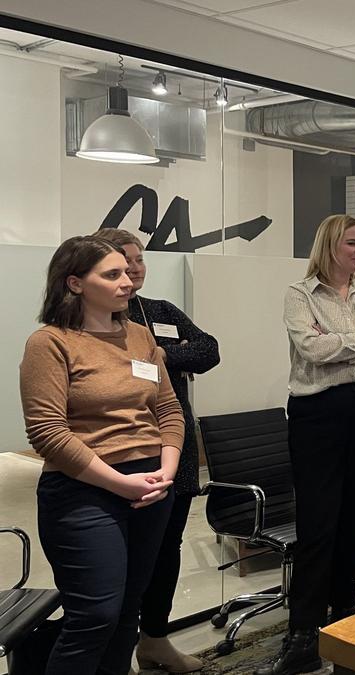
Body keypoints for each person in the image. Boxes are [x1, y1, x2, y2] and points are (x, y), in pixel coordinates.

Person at [19, 235, 183, 674]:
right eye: (112, 274)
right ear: (75, 283)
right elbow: (47, 432)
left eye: (127, 272)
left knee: (129, 610)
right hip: (84, 490)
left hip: (151, 485)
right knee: (95, 616)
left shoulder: (140, 336)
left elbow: (169, 409)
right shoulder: (50, 343)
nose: (127, 281)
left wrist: (166, 471)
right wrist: (120, 483)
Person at [261, 215, 355, 675]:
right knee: (317, 523)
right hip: (318, 414)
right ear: (329, 245)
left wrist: (341, 342)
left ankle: (345, 614)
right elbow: (311, 350)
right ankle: (303, 634)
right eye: (352, 243)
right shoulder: (300, 295)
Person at [92, 227, 220, 673]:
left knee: (166, 550)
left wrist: (164, 355)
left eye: (139, 259)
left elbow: (208, 350)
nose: (133, 269)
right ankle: (114, 651)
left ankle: (154, 640)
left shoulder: (160, 311)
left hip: (173, 450)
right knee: (119, 559)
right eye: (122, 261)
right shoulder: (89, 323)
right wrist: (168, 353)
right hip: (118, 457)